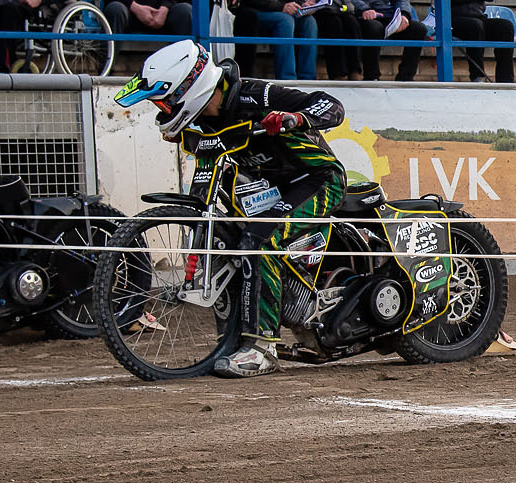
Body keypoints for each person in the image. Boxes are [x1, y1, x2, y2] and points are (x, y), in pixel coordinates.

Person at [114, 41, 350, 378]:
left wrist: (294, 117)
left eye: (164, 101)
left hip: (318, 179)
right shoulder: (201, 119)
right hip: (271, 188)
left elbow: (332, 106)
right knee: (229, 239)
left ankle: (263, 349)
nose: (163, 110)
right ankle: (234, 339)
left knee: (259, 240)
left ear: (187, 88)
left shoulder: (255, 95)